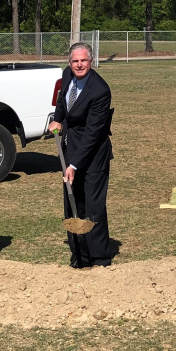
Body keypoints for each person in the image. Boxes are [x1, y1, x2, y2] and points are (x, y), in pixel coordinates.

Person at [50, 42, 114, 268]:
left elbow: (93, 134)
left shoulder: (100, 90)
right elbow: (61, 99)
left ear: (92, 61)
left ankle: (100, 257)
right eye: (75, 61)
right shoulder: (68, 75)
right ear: (70, 63)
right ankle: (80, 254)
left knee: (93, 205)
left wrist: (74, 165)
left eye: (84, 60)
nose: (79, 65)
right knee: (73, 200)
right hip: (71, 148)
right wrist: (57, 118)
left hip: (93, 154)